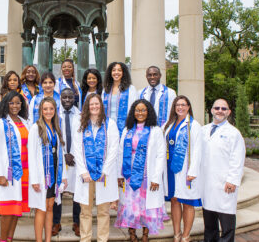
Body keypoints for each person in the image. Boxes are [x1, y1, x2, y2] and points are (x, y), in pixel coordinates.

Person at [115, 99, 168, 242]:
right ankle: (132, 234)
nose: (140, 113)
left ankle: (145, 235)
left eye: (143, 110)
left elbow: (160, 155)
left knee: (146, 206)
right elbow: (120, 152)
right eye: (137, 110)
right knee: (130, 204)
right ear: (133, 112)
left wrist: (156, 178)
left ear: (148, 112)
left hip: (147, 176)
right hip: (129, 174)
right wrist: (120, 174)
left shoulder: (155, 131)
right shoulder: (127, 130)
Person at [72, 93, 120, 242]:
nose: (94, 107)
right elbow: (77, 149)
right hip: (85, 175)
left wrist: (105, 170)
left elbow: (113, 149)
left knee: (103, 211)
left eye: (97, 104)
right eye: (91, 104)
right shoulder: (80, 124)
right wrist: (83, 171)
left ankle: (102, 239)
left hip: (104, 175)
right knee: (85, 211)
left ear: (101, 106)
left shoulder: (109, 124)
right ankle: (85, 239)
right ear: (87, 106)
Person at [200, 99, 245, 242]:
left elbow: (237, 159)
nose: (220, 111)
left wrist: (232, 180)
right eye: (217, 108)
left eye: (224, 109)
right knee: (209, 222)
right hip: (207, 184)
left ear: (229, 112)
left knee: (226, 222)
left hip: (224, 184)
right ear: (212, 110)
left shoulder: (234, 133)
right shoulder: (203, 130)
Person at [0, 91, 30, 242]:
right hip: (9, 173)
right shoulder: (0, 123)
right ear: (6, 104)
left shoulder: (24, 121)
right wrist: (0, 174)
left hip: (24, 172)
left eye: (18, 103)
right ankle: (2, 239)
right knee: (8, 210)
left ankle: (9, 239)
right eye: (12, 103)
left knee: (16, 210)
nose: (15, 106)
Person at [28, 97, 68, 242]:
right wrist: (34, 179)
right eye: (45, 109)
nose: (48, 111)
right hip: (42, 175)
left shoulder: (56, 128)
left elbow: (60, 153)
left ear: (55, 110)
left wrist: (63, 176)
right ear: (41, 111)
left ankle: (48, 239)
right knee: (41, 208)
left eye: (51, 109)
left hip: (54, 174)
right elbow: (32, 155)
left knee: (50, 207)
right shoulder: (35, 128)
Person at [163, 96, 203, 242]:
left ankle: (186, 235)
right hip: (170, 170)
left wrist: (192, 171)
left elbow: (197, 150)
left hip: (185, 170)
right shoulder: (169, 124)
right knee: (174, 200)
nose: (180, 107)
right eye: (177, 105)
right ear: (174, 107)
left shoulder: (194, 125)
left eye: (183, 105)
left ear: (188, 107)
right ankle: (176, 233)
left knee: (187, 202)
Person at [52, 88, 81, 237]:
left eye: (70, 97)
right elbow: (54, 139)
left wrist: (74, 155)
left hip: (76, 161)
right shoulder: (55, 115)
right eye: (64, 97)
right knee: (59, 192)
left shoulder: (81, 115)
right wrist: (64, 155)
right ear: (60, 99)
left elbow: (81, 138)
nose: (67, 100)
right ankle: (56, 222)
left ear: (74, 98)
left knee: (78, 194)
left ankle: (77, 223)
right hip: (61, 160)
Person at [102, 62, 138, 137]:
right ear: (110, 73)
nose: (116, 72)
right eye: (114, 70)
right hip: (108, 127)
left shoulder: (130, 89)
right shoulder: (106, 90)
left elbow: (134, 109)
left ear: (123, 72)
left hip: (125, 127)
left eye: (119, 70)